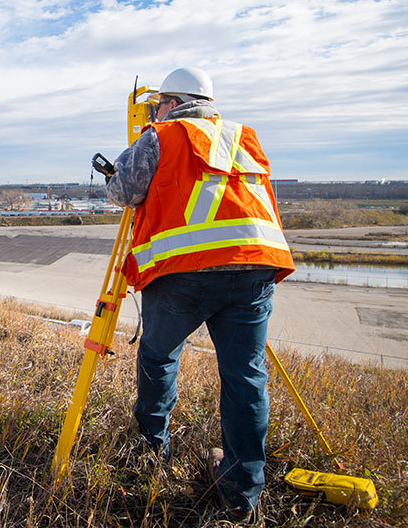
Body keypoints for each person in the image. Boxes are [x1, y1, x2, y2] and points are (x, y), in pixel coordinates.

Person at [103, 67, 295, 522]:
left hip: (185, 272)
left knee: (158, 356)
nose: (156, 111)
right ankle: (242, 493)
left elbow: (124, 193)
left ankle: (151, 450)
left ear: (172, 102)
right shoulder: (243, 135)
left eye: (159, 104)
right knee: (246, 376)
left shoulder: (163, 134)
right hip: (255, 265)